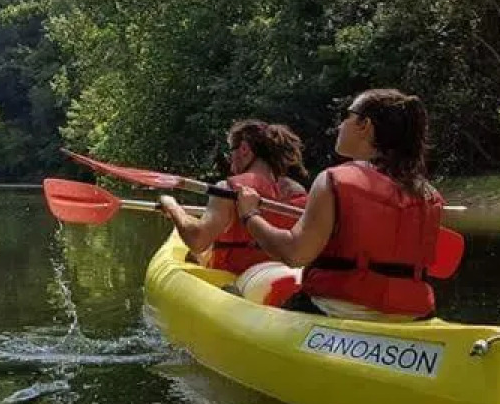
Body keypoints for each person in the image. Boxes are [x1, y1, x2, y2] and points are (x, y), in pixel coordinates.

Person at [234, 90, 444, 318]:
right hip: (413, 315)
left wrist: (250, 215)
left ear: (365, 125)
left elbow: (294, 253)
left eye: (346, 116)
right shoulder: (429, 196)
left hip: (336, 309)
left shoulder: (333, 180)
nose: (340, 125)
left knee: (236, 296)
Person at [158, 120, 309, 273]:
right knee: (197, 255)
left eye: (231, 153)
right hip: (280, 276)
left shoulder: (228, 189)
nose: (230, 164)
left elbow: (197, 240)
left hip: (233, 278)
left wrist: (172, 207)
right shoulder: (297, 192)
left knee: (196, 253)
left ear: (244, 149)